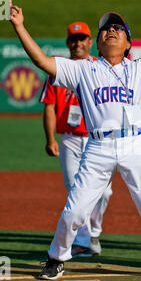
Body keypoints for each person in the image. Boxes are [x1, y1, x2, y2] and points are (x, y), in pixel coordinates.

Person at [9, 0, 141, 281]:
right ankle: (56, 257)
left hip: (135, 144)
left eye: (118, 28)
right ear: (98, 41)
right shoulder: (83, 68)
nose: (111, 30)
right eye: (106, 28)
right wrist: (19, 26)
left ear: (128, 43)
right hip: (98, 146)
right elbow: (41, 61)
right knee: (75, 210)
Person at [40, 21, 112, 257]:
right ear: (67, 42)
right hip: (70, 138)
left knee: (104, 192)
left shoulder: (100, 67)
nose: (78, 43)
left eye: (82, 39)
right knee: (75, 189)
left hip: (98, 138)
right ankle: (83, 240)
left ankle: (93, 232)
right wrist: (50, 138)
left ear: (91, 42)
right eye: (73, 39)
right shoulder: (57, 69)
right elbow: (49, 107)